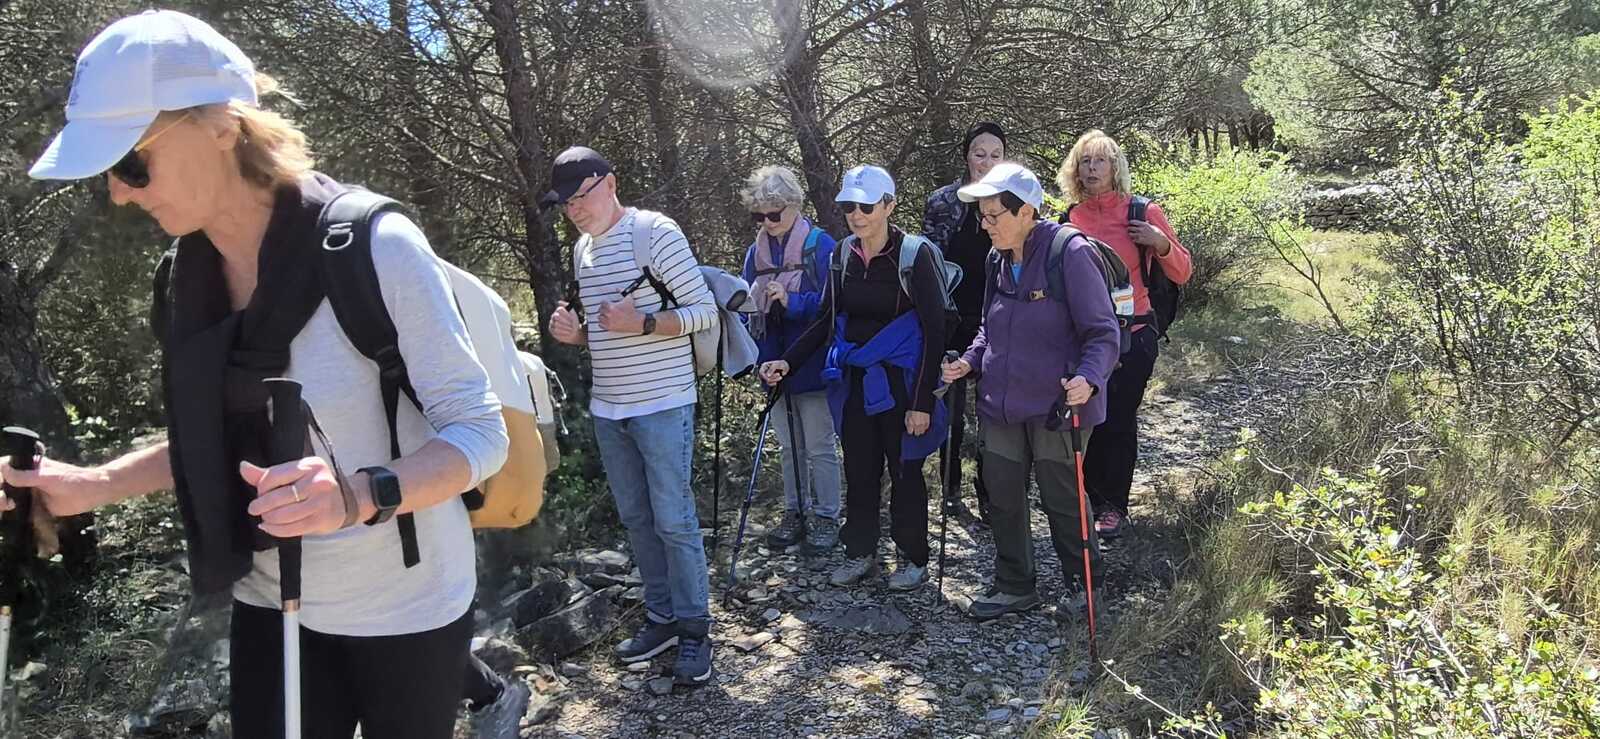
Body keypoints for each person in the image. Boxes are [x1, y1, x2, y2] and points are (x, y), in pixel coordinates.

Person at [4, 10, 511, 738]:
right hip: (271, 602)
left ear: (220, 124)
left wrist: (355, 495)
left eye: (131, 163)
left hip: (408, 608)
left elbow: (479, 433)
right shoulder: (185, 282)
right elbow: (213, 442)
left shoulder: (374, 248)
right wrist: (93, 484)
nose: (119, 192)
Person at [544, 146, 718, 686]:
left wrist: (641, 323)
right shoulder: (582, 250)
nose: (574, 209)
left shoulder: (654, 233)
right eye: (565, 203)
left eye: (581, 196)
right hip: (609, 408)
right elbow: (604, 332)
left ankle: (695, 631)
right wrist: (577, 335)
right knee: (639, 520)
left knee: (674, 520)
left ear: (610, 183)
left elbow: (703, 312)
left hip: (663, 402)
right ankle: (662, 620)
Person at [940, 163, 1121, 620]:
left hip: (1059, 404)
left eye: (994, 215)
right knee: (1002, 493)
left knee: (1063, 498)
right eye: (982, 215)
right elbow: (990, 326)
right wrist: (971, 360)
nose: (986, 225)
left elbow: (1103, 333)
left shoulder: (1069, 253)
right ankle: (1014, 586)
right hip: (1001, 401)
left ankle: (1085, 588)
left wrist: (1088, 378)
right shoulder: (996, 258)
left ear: (1027, 212)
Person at [758, 165, 948, 591]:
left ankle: (913, 557)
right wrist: (788, 362)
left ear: (889, 205)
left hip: (902, 381)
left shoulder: (913, 255)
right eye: (849, 206)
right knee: (860, 469)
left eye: (866, 206)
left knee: (905, 469)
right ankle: (860, 552)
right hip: (858, 380)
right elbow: (826, 318)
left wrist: (922, 402)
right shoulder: (843, 255)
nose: (856, 215)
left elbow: (935, 331)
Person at [1055, 130, 1192, 540]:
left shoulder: (1142, 211)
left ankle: (1111, 506)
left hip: (1134, 332)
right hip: (1083, 336)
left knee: (1116, 416)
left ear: (1116, 168)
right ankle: (1084, 500)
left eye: (1100, 160)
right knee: (1083, 416)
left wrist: (1161, 244)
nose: (1091, 168)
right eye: (1084, 161)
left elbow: (1183, 271)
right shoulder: (1070, 218)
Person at [738, 165, 843, 554]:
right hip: (773, 364)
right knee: (788, 447)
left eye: (774, 213)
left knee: (819, 446)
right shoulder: (756, 253)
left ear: (794, 205)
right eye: (759, 216)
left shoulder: (821, 246)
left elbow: (835, 307)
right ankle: (795, 513)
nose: (767, 222)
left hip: (813, 363)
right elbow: (747, 310)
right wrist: (760, 362)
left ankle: (827, 518)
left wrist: (793, 301)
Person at [922, 121, 1006, 526]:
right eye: (979, 154)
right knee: (952, 412)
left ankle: (991, 494)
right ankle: (951, 491)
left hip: (998, 318)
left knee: (992, 411)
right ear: (966, 156)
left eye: (995, 155)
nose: (986, 162)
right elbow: (928, 262)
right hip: (953, 319)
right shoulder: (943, 201)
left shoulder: (1012, 201)